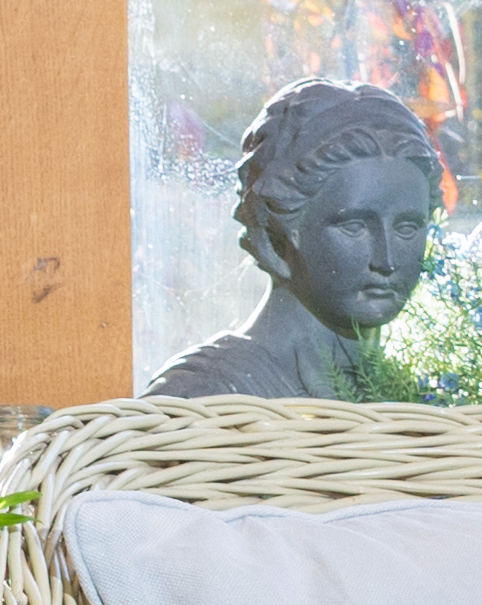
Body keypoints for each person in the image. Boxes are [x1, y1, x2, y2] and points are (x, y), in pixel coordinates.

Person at [148, 78, 447, 400]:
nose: (386, 261)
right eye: (354, 227)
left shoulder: (419, 393)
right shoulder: (205, 398)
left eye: (407, 229)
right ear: (275, 235)